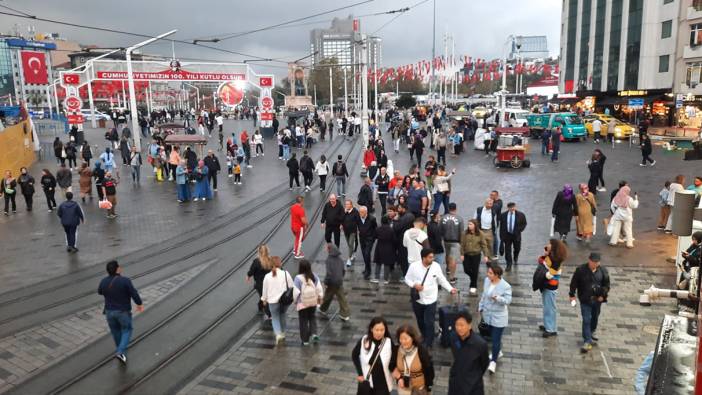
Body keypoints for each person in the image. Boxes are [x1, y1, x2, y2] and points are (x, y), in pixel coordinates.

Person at [405, 248, 457, 347]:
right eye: (430, 257)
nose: (432, 259)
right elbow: (407, 279)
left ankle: (429, 342)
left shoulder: (436, 266)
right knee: (420, 320)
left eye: (433, 257)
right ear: (423, 258)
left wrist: (450, 289)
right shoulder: (414, 266)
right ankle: (424, 335)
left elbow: (442, 280)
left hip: (431, 300)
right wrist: (414, 285)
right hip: (418, 299)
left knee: (429, 321)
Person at [97, 260, 144, 364]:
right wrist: (139, 304)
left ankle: (121, 351)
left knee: (115, 331)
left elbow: (100, 291)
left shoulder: (103, 281)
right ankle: (120, 351)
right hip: (123, 312)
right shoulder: (125, 281)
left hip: (109, 312)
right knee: (127, 330)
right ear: (118, 269)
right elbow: (134, 293)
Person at [569, 252, 610, 353]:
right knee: (586, 319)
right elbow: (574, 283)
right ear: (589, 260)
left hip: (597, 300)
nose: (594, 264)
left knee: (595, 317)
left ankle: (591, 332)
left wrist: (602, 296)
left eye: (596, 262)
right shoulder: (580, 270)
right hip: (585, 299)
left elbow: (607, 285)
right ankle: (587, 340)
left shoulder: (603, 271)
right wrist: (572, 295)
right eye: (593, 262)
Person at [478, 264, 512, 374]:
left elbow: (508, 300)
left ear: (497, 275)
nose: (488, 275)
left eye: (490, 273)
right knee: (492, 336)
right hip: (488, 315)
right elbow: (484, 295)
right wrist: (481, 306)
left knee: (495, 339)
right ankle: (498, 352)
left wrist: (498, 298)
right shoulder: (487, 281)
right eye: (488, 272)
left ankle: (493, 362)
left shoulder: (505, 286)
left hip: (499, 317)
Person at [447, 311, 489, 395]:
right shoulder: (453, 337)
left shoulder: (480, 344)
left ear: (469, 325)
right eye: (457, 325)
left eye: (462, 325)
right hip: (456, 382)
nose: (459, 328)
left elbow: (484, 364)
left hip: (473, 386)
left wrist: (474, 375)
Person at [534, 238, 568, 338]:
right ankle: (547, 325)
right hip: (546, 283)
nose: (547, 244)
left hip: (550, 284)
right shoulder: (550, 254)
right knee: (546, 306)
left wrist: (544, 275)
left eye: (549, 243)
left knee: (550, 307)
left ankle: (551, 329)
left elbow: (552, 272)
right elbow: (541, 261)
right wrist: (545, 254)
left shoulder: (557, 259)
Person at [351, 317, 395, 395]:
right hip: (368, 383)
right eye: (376, 330)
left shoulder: (389, 342)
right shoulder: (364, 340)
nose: (379, 333)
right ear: (371, 329)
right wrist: (360, 374)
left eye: (382, 330)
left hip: (383, 383)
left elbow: (394, 360)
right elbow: (354, 355)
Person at [391, 325, 434, 395]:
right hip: (403, 389)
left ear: (412, 338)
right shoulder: (396, 350)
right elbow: (391, 365)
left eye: (406, 339)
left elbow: (429, 371)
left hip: (419, 389)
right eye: (400, 338)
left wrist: (428, 387)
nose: (403, 341)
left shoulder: (421, 351)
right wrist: (399, 378)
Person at [261, 256, 294, 344]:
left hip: (272, 302)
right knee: (282, 315)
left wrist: (264, 299)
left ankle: (278, 334)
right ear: (280, 263)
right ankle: (283, 333)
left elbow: (265, 290)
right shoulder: (286, 273)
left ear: (270, 264)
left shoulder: (267, 276)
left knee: (275, 317)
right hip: (284, 301)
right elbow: (291, 286)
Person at [292, 259, 324, 345]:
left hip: (302, 303)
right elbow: (319, 289)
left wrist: (295, 301)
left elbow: (295, 292)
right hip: (313, 302)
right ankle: (314, 333)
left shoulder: (298, 278)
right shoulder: (314, 276)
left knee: (303, 321)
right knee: (312, 317)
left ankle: (305, 340)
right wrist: (320, 297)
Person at [318, 243, 351, 321]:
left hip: (332, 282)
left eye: (327, 248)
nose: (326, 250)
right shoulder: (340, 259)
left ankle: (323, 309)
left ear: (330, 250)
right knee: (341, 297)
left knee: (328, 296)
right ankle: (345, 314)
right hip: (339, 281)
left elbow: (329, 273)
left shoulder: (329, 260)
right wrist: (341, 278)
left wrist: (326, 282)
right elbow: (343, 271)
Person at [246, 244, 272, 319]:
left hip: (260, 284)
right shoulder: (271, 260)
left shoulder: (256, 261)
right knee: (266, 298)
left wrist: (248, 276)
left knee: (263, 297)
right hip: (269, 283)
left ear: (259, 252)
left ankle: (263, 309)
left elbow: (252, 270)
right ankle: (269, 314)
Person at [499, 202, 527, 271]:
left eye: (513, 207)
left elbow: (524, 223)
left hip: (516, 235)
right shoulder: (503, 215)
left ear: (515, 207)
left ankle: (515, 256)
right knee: (507, 250)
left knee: (517, 248)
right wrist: (502, 237)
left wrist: (519, 230)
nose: (512, 209)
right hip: (507, 235)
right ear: (508, 208)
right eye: (510, 208)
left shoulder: (521, 215)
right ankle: (509, 264)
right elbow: (501, 226)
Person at [441, 202, 464, 283]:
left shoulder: (443, 218)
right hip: (456, 242)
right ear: (456, 209)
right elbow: (461, 232)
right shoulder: (459, 219)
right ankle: (452, 277)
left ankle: (447, 268)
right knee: (453, 259)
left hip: (446, 240)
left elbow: (440, 230)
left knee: (447, 255)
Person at [373, 215, 396, 284]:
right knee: (387, 264)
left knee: (378, 263)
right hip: (388, 247)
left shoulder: (378, 229)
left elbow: (375, 236)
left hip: (379, 247)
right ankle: (386, 279)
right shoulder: (391, 229)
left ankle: (376, 278)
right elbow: (394, 239)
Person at [357, 206, 377, 280]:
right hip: (362, 239)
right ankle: (366, 268)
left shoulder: (372, 219)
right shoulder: (358, 218)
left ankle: (368, 271)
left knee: (367, 254)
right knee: (364, 254)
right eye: (360, 212)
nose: (360, 213)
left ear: (366, 212)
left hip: (369, 239)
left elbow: (375, 229)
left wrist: (373, 238)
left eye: (362, 212)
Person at [342, 199, 360, 267]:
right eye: (346, 204)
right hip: (346, 231)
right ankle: (353, 253)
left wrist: (359, 229)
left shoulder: (355, 212)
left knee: (350, 243)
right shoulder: (344, 212)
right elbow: (341, 219)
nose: (347, 206)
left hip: (353, 231)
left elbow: (358, 221)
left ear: (351, 205)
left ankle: (349, 259)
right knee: (349, 245)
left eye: (348, 204)